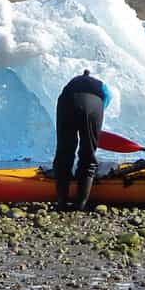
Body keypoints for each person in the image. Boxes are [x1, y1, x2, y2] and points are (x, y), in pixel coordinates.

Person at [53, 68, 109, 211]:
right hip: (94, 104)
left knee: (64, 151)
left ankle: (61, 202)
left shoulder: (70, 84)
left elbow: (62, 96)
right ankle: (81, 204)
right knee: (88, 154)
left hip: (67, 102)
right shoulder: (102, 86)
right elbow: (105, 103)